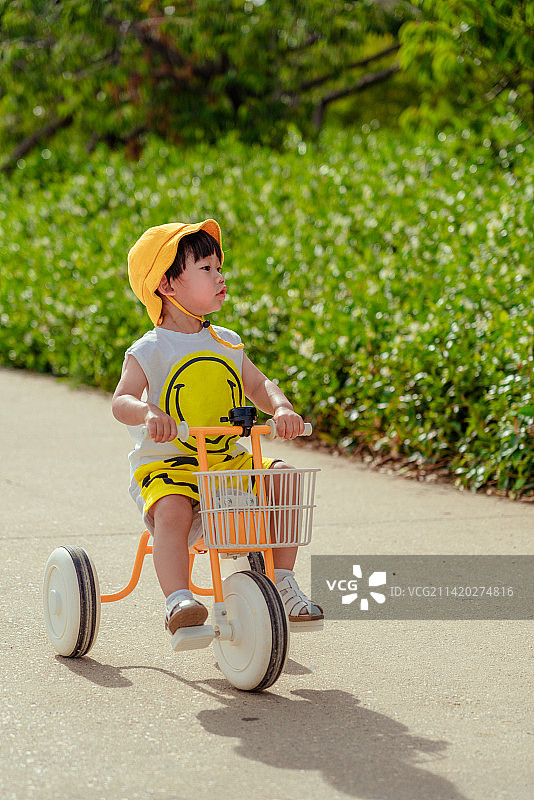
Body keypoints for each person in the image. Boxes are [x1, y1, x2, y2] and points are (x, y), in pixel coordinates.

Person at [112, 219, 323, 639]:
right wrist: (149, 413)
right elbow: (121, 401)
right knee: (171, 509)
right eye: (206, 269)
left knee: (282, 479)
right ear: (167, 287)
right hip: (172, 465)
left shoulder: (226, 341)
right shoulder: (150, 349)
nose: (220, 275)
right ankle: (179, 601)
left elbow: (258, 384)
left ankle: (282, 581)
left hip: (227, 460)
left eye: (218, 267)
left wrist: (280, 407)